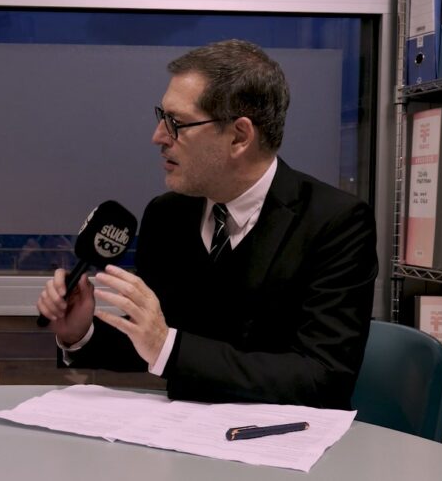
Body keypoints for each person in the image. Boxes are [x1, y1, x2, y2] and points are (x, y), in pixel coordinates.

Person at [37, 39, 377, 409]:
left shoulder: (335, 222)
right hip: (180, 435)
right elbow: (152, 345)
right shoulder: (167, 214)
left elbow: (323, 378)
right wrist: (80, 333)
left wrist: (166, 346)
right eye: (161, 117)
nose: (158, 137)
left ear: (239, 137)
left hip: (282, 439)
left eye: (176, 123)